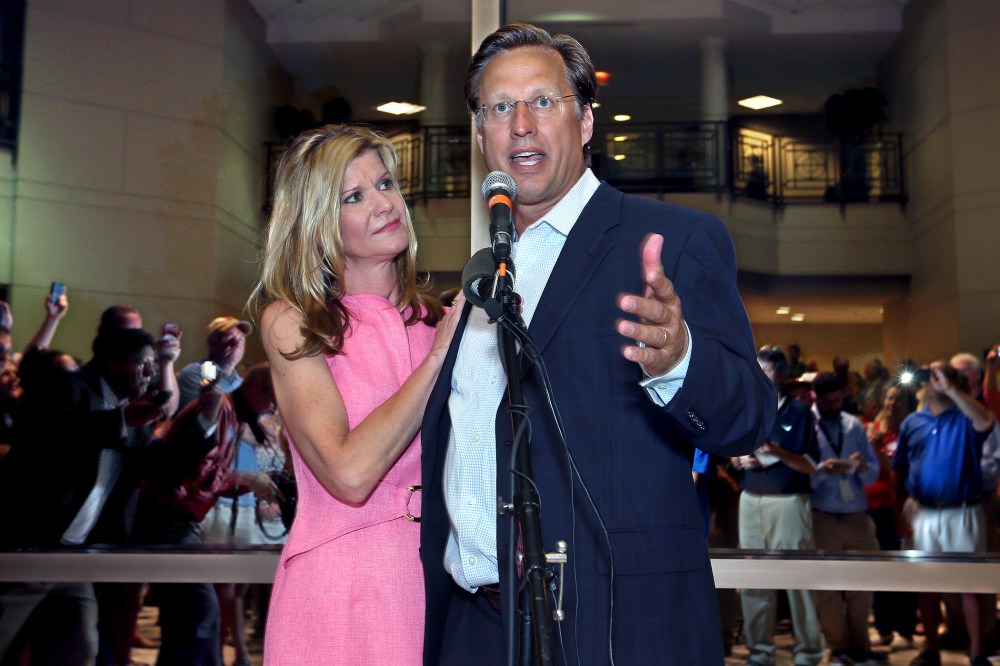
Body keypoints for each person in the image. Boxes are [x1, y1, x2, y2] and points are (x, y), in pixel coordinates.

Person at [419, 24, 775, 665]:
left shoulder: (671, 241)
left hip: (611, 628)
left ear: (584, 122)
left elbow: (749, 417)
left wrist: (679, 360)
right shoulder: (484, 275)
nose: (521, 124)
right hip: (476, 627)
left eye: (543, 102)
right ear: (481, 137)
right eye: (500, 108)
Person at [249, 124, 462, 665]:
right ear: (320, 223)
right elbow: (348, 473)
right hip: (341, 593)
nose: (384, 203)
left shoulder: (439, 320)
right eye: (354, 196)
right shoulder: (294, 323)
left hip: (445, 587)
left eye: (386, 183)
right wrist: (438, 357)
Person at [893, 361, 995, 666]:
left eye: (941, 374)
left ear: (953, 381)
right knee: (927, 585)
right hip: (924, 511)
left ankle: (976, 652)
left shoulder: (965, 416)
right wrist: (899, 511)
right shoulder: (912, 422)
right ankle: (931, 648)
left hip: (962, 511)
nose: (933, 379)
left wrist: (951, 390)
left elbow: (985, 421)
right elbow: (899, 466)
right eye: (930, 374)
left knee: (969, 584)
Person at [734, 346, 824, 666]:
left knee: (799, 581)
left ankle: (809, 651)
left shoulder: (798, 412)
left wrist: (773, 454)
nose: (758, 376)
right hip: (750, 501)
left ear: (782, 376)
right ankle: (760, 652)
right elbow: (731, 450)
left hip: (788, 503)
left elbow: (809, 463)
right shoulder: (747, 407)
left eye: (765, 371)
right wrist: (741, 458)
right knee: (755, 581)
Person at [808, 373, 883, 665]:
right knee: (828, 588)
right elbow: (801, 475)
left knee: (863, 584)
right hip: (823, 513)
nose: (832, 405)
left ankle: (861, 646)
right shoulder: (807, 424)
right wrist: (824, 471)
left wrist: (861, 467)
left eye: (837, 399)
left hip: (856, 514)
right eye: (826, 401)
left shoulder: (852, 424)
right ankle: (838, 648)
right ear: (816, 398)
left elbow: (873, 474)